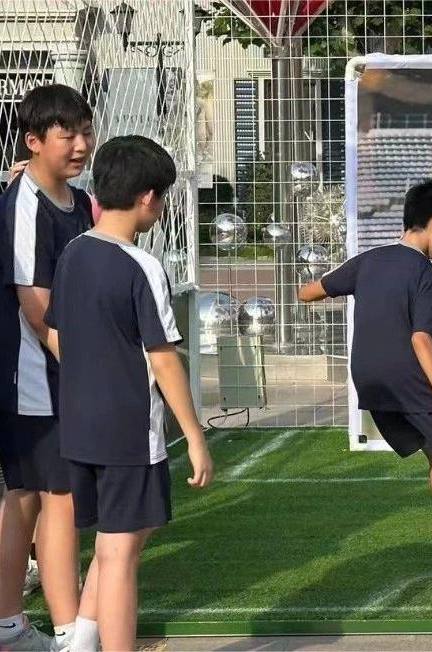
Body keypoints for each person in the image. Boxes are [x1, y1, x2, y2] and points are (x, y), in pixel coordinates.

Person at [44, 135, 213, 650]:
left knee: (116, 539)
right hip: (128, 431)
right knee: (120, 553)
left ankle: (81, 642)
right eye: (162, 197)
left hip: (79, 426)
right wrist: (195, 436)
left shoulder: (73, 252)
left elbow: (56, 333)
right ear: (147, 198)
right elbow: (163, 358)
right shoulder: (142, 266)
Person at [298, 179, 432, 581]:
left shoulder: (368, 261)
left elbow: (308, 293)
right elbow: (422, 341)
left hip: (368, 379)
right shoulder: (428, 275)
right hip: (406, 374)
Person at [0, 84, 95, 650]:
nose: (81, 144)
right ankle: (68, 632)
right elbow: (36, 307)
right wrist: (89, 370)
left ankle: (10, 625)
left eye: (86, 131)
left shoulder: (77, 201)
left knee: (28, 495)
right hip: (33, 376)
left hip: (55, 371)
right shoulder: (26, 205)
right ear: (33, 141)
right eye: (67, 135)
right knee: (56, 496)